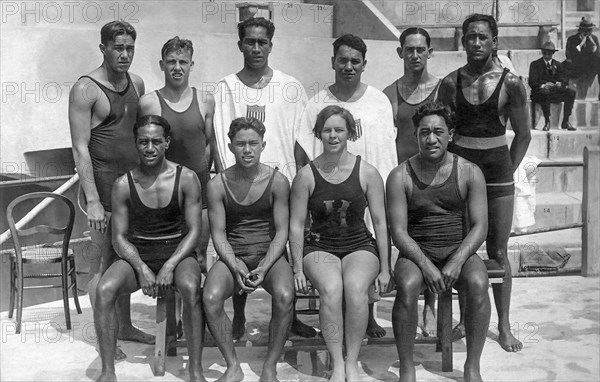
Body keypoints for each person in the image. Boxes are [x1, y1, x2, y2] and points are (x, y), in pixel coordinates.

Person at [212, 16, 315, 339]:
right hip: (238, 185)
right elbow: (218, 140)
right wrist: (225, 181)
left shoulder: (291, 86)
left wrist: (300, 186)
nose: (256, 48)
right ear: (239, 44)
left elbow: (301, 142)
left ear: (271, 44)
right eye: (249, 41)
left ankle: (289, 316)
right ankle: (239, 317)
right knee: (242, 245)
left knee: (282, 250)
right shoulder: (226, 87)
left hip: (279, 183)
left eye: (262, 42)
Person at [438, 13, 531, 353]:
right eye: (470, 37)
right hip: (461, 175)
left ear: (495, 41)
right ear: (463, 42)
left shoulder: (512, 83)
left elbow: (523, 135)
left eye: (482, 37)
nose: (476, 43)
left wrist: (506, 170)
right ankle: (465, 319)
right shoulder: (450, 83)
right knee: (462, 251)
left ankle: (503, 326)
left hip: (497, 176)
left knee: (498, 251)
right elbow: (441, 131)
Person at [295, 34, 397, 338]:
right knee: (333, 270)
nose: (349, 66)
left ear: (364, 64)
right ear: (333, 63)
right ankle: (337, 329)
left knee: (365, 256)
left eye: (355, 61)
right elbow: (303, 150)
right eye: (343, 60)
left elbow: (386, 150)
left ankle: (369, 317)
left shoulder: (378, 100)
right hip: (329, 194)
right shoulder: (318, 103)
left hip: (366, 189)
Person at [95, 115, 205, 382]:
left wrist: (169, 266)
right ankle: (108, 372)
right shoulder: (123, 184)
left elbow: (194, 231)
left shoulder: (186, 178)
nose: (150, 148)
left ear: (167, 142)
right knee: (104, 289)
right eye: (143, 142)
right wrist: (141, 267)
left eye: (156, 141)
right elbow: (119, 238)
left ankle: (195, 371)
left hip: (177, 253)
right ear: (136, 144)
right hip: (140, 253)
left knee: (190, 288)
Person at [68, 20, 153, 360]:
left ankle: (127, 326)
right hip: (100, 188)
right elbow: (79, 148)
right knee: (102, 263)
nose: (124, 54)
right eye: (118, 47)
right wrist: (92, 200)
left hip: (130, 188)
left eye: (130, 48)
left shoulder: (138, 83)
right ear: (103, 48)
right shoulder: (86, 88)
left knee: (126, 259)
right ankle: (105, 338)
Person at [387, 101, 490, 382]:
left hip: (459, 250)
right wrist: (428, 267)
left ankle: (472, 366)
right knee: (407, 286)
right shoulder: (400, 175)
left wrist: (456, 262)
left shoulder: (469, 172)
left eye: (438, 132)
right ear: (416, 136)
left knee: (480, 283)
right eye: (424, 132)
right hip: (416, 252)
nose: (431, 139)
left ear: (451, 134)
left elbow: (480, 226)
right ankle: (407, 368)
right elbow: (399, 233)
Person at [291, 105, 391, 382]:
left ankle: (352, 361)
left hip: (359, 245)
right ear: (318, 134)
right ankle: (336, 362)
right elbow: (296, 225)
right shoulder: (306, 176)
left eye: (339, 130)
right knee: (332, 290)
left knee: (357, 289)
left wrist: (385, 268)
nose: (333, 135)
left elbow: (381, 223)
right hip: (320, 248)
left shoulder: (367, 172)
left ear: (350, 133)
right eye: (327, 130)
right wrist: (298, 268)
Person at [203, 117, 294, 382]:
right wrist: (235, 265)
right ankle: (233, 365)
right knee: (210, 298)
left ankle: (270, 366)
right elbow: (218, 234)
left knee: (286, 295)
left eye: (253, 143)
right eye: (240, 144)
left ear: (263, 145)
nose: (247, 150)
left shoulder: (277, 181)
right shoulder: (218, 184)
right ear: (230, 147)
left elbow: (282, 231)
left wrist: (264, 266)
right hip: (235, 253)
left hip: (270, 254)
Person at [138, 36, 215, 271]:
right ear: (162, 65)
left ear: (192, 65)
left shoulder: (206, 100)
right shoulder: (149, 103)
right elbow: (144, 147)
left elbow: (209, 143)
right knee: (167, 261)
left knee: (200, 257)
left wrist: (202, 177)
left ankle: (197, 309)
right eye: (171, 62)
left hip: (200, 192)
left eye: (183, 61)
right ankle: (168, 308)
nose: (177, 67)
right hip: (166, 194)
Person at [383, 27, 440, 336]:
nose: (415, 54)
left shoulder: (443, 89)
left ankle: (432, 304)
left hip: (437, 179)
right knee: (405, 240)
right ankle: (408, 299)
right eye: (409, 49)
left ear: (430, 52)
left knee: (433, 240)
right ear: (400, 52)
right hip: (403, 180)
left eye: (421, 49)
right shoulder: (389, 93)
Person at [528, 41, 576, 131]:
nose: (546, 56)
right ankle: (547, 121)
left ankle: (565, 121)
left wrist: (561, 84)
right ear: (542, 52)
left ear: (553, 53)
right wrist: (542, 85)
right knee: (545, 92)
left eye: (549, 54)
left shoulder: (558, 65)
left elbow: (564, 79)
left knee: (571, 92)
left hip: (554, 92)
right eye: (544, 53)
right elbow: (532, 82)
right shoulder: (535, 64)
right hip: (539, 93)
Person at [565, 16, 600, 100]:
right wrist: (580, 45)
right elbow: (569, 55)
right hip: (577, 67)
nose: (587, 33)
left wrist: (594, 48)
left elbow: (598, 56)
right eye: (585, 31)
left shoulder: (594, 39)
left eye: (589, 31)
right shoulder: (572, 39)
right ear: (580, 30)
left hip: (589, 69)